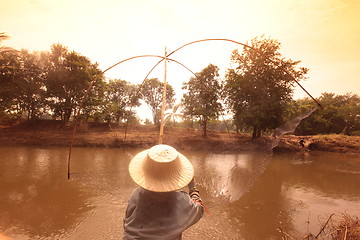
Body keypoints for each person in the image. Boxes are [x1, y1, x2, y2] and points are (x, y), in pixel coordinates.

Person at [123, 144, 204, 240]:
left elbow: (126, 220)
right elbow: (199, 209)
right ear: (177, 175)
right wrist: (193, 188)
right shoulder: (181, 200)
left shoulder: (136, 194)